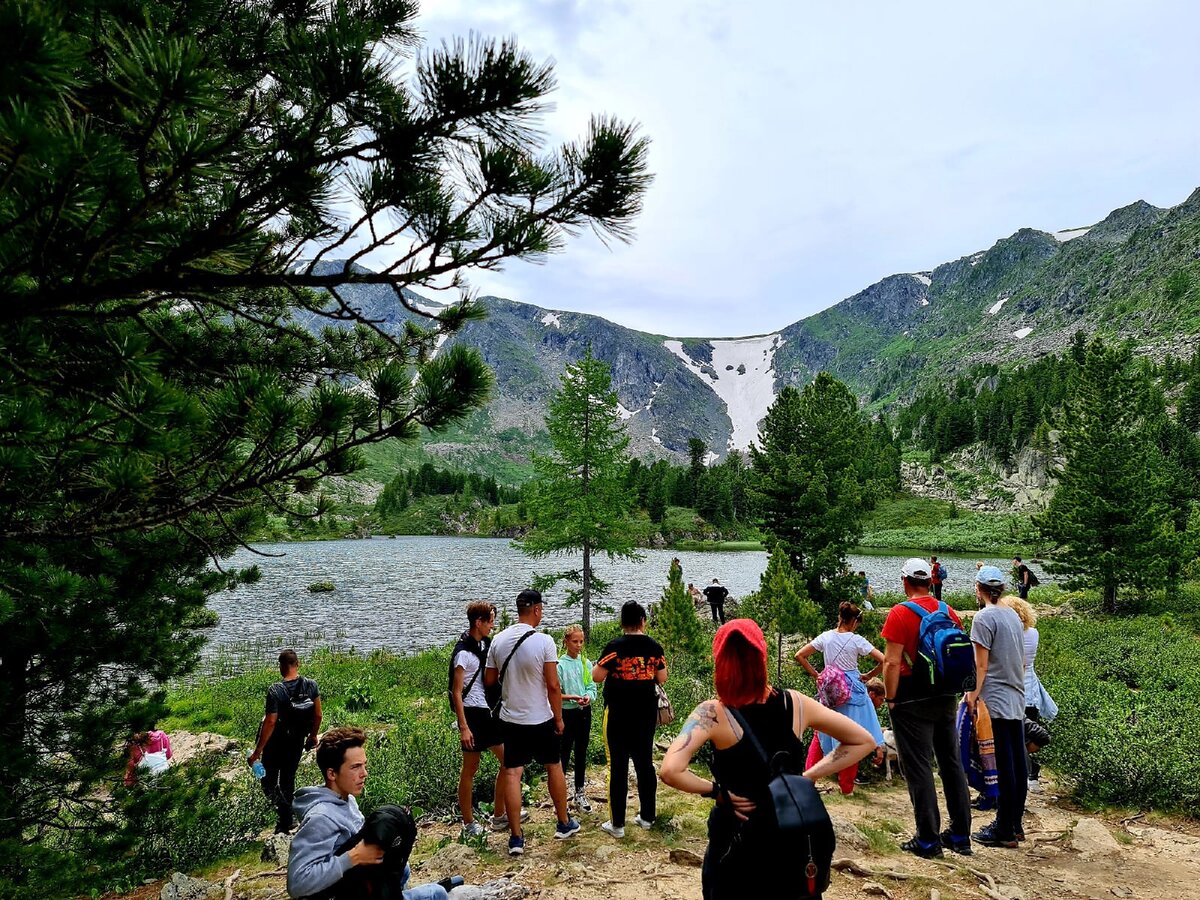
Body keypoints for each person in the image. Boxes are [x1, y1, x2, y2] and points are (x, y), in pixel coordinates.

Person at [660, 619, 874, 898]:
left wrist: (717, 792)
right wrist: (806, 778)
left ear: (720, 662)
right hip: (790, 835)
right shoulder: (795, 703)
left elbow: (670, 770)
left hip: (737, 840)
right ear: (762, 657)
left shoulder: (713, 713)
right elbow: (863, 740)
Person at [287, 726, 448, 900]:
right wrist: (352, 857)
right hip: (344, 893)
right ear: (332, 773)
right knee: (436, 894)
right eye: (355, 767)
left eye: (364, 765)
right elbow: (297, 884)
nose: (364, 773)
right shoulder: (321, 818)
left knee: (404, 869)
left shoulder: (348, 800)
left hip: (366, 885)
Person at [882, 558, 973, 858]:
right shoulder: (950, 612)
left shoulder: (899, 613)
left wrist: (892, 698)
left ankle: (927, 840)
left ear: (905, 581)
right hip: (946, 696)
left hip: (911, 699)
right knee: (951, 764)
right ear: (931, 582)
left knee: (919, 767)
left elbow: (892, 662)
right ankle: (960, 835)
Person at [484, 589, 580, 856]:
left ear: (518, 610)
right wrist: (559, 719)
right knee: (554, 766)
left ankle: (516, 838)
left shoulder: (499, 641)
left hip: (511, 719)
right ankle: (563, 822)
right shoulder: (545, 641)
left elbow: (490, 681)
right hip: (541, 718)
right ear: (537, 609)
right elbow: (552, 684)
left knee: (513, 773)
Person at [592, 600, 667, 838]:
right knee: (645, 762)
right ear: (643, 620)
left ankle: (617, 824)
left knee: (618, 765)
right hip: (645, 713)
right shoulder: (654, 647)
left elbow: (596, 677)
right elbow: (662, 677)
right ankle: (647, 816)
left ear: (622, 622)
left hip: (618, 712)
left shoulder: (615, 647)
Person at [795, 602, 886, 794]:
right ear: (853, 621)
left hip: (830, 690)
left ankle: (807, 781)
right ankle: (847, 787)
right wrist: (869, 675)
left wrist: (817, 675)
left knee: (821, 734)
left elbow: (800, 655)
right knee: (854, 736)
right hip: (851, 690)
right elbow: (884, 659)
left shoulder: (826, 637)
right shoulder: (856, 640)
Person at [966, 567, 1027, 848]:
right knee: (1016, 763)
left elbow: (981, 664)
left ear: (979, 589)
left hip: (996, 700)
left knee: (1002, 765)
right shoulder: (1013, 615)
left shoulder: (984, 617)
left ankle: (1003, 827)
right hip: (1016, 696)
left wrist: (971, 695)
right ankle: (1015, 825)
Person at [450, 601, 507, 837]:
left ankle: (499, 814)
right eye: (490, 621)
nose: (493, 625)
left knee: (508, 761)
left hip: (485, 711)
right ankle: (468, 823)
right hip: (472, 714)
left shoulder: (484, 644)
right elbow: (456, 692)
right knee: (470, 768)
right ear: (479, 622)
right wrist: (464, 727)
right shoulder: (463, 653)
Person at [249, 649, 322, 833]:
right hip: (297, 742)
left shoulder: (275, 690)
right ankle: (287, 822)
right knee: (288, 781)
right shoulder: (311, 685)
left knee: (268, 783)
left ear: (281, 666)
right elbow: (318, 715)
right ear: (297, 664)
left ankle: (284, 816)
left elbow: (271, 721)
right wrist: (313, 736)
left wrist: (257, 752)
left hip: (275, 745)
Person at [1000, 596, 1057, 793]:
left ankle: (1023, 777)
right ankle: (1029, 773)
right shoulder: (1033, 633)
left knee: (1010, 741)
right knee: (1024, 738)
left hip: (1012, 693)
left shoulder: (1008, 635)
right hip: (1031, 693)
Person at [557, 624, 597, 812]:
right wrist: (572, 697)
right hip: (567, 713)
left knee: (581, 752)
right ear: (566, 642)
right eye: (575, 641)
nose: (579, 645)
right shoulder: (560, 665)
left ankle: (579, 792)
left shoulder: (585, 663)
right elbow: (554, 694)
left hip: (583, 713)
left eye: (581, 641)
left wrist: (588, 697)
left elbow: (591, 686)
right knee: (563, 754)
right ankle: (559, 795)